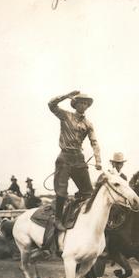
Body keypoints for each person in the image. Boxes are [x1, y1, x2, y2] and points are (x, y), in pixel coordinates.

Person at [49, 90, 102, 230]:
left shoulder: (88, 124)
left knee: (88, 192)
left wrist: (98, 160)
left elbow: (94, 142)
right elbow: (51, 104)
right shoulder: (66, 116)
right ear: (75, 104)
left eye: (86, 103)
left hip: (78, 158)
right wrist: (65, 95)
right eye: (81, 103)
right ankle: (58, 219)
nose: (83, 105)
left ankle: (77, 215)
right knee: (61, 191)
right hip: (65, 157)